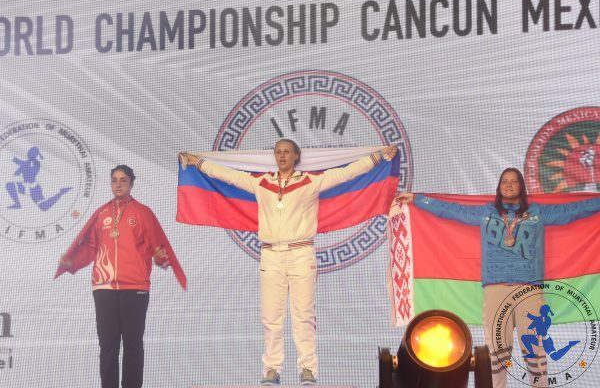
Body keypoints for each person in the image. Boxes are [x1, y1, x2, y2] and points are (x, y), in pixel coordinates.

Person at [180, 140, 397, 385]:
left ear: (296, 156)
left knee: (304, 315)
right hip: (270, 255)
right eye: (278, 152)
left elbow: (347, 173)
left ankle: (308, 368)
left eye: (286, 151)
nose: (282, 155)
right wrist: (198, 162)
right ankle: (271, 369)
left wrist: (378, 157)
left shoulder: (311, 182)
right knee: (271, 317)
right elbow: (228, 175)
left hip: (301, 253)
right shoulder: (261, 183)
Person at [396, 168, 600, 388]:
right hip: (496, 288)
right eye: (505, 181)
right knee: (497, 351)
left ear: (521, 186)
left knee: (534, 350)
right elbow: (452, 210)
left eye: (514, 181)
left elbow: (573, 210)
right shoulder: (486, 212)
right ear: (499, 186)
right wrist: (418, 199)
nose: (509, 184)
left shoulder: (537, 212)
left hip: (529, 289)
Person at [56, 165, 186, 388]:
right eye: (114, 180)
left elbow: (155, 246)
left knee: (133, 344)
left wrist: (160, 256)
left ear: (131, 184)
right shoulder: (101, 214)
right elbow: (90, 248)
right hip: (103, 287)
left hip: (135, 286)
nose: (118, 184)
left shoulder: (143, 213)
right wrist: (71, 262)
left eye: (123, 180)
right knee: (108, 345)